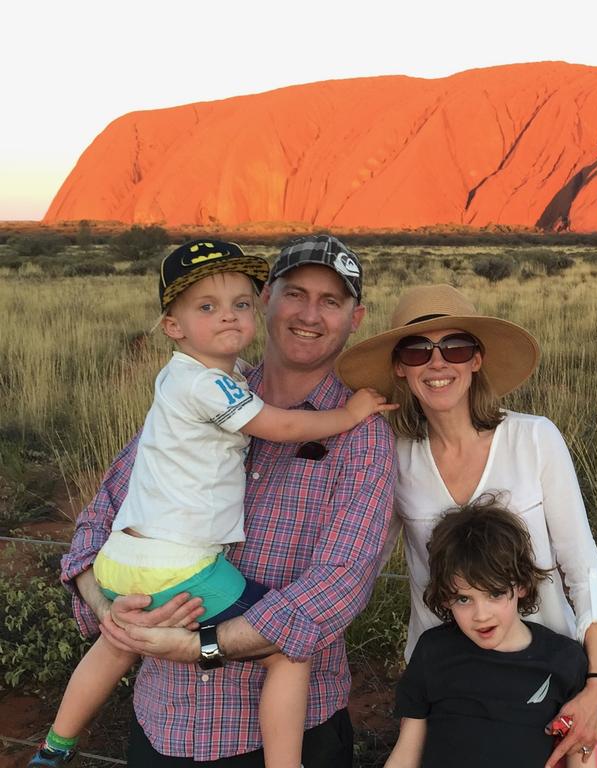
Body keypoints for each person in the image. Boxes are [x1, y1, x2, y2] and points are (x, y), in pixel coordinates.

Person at [29, 240, 394, 768]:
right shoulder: (208, 394)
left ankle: (54, 749)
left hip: (274, 737)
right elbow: (99, 516)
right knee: (284, 654)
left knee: (289, 652)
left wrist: (199, 644)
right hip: (166, 724)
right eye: (295, 294)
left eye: (331, 301)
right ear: (267, 299)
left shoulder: (364, 438)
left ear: (355, 318)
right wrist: (110, 611)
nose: (310, 314)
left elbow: (339, 584)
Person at [337, 284, 597, 768]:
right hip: (449, 686)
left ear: (476, 360)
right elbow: (358, 561)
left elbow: (584, 568)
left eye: (455, 347)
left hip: (550, 678)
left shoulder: (533, 438)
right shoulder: (394, 456)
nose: (437, 363)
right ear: (400, 368)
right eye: (417, 350)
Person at [385, 497, 588, 768]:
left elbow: (582, 756)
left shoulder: (563, 659)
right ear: (445, 597)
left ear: (522, 585)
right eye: (464, 599)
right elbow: (406, 753)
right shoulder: (433, 652)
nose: (481, 615)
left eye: (495, 593)